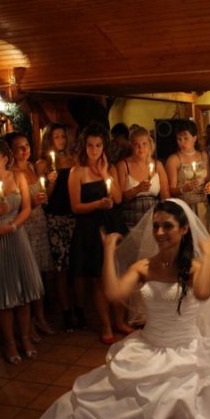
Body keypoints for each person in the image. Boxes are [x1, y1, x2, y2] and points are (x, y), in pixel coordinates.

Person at [37, 199, 210, 419]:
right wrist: (109, 252)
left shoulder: (194, 267)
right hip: (148, 345)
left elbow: (203, 292)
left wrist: (208, 255)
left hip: (185, 352)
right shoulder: (143, 267)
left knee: (181, 401)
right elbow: (114, 293)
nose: (159, 232)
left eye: (167, 226)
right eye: (156, 226)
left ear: (184, 229)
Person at [0, 139, 44, 364]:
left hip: (16, 234)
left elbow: (26, 208)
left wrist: (13, 226)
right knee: (3, 294)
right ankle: (10, 343)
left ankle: (25, 338)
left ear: (5, 159)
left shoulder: (18, 177)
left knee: (23, 293)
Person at [68, 123, 131, 344]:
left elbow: (119, 198)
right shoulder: (77, 172)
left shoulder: (110, 169)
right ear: (84, 147)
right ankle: (106, 326)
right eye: (90, 146)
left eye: (98, 145)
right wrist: (97, 204)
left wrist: (105, 174)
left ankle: (119, 321)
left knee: (118, 275)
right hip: (91, 229)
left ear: (104, 147)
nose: (94, 150)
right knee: (99, 281)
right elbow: (75, 207)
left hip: (112, 224)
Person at [8, 132, 56, 337]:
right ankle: (29, 324)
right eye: (19, 147)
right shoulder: (11, 173)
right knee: (29, 275)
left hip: (39, 222)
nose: (24, 150)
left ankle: (40, 317)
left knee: (41, 275)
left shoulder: (32, 167)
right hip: (25, 224)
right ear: (11, 151)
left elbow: (44, 197)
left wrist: (50, 183)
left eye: (26, 145)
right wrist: (34, 202)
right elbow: (16, 206)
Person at [35, 123, 78, 331]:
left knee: (76, 266)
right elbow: (45, 198)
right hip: (55, 217)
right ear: (49, 140)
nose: (61, 139)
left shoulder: (73, 159)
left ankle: (79, 307)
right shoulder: (43, 164)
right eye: (56, 136)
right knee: (60, 268)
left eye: (63, 136)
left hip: (74, 216)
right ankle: (66, 310)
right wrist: (50, 181)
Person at [117, 126, 170, 228]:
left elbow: (165, 193)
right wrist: (137, 189)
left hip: (154, 217)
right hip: (131, 217)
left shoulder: (157, 165)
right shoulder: (123, 166)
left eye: (144, 144)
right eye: (136, 144)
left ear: (150, 144)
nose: (140, 148)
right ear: (131, 145)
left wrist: (167, 213)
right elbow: (121, 198)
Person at [166, 120, 210, 229]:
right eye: (179, 139)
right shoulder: (174, 159)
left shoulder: (203, 155)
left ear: (194, 138)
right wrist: (183, 189)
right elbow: (171, 189)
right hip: (185, 207)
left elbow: (207, 179)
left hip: (202, 206)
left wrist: (209, 186)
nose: (182, 142)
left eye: (185, 138)